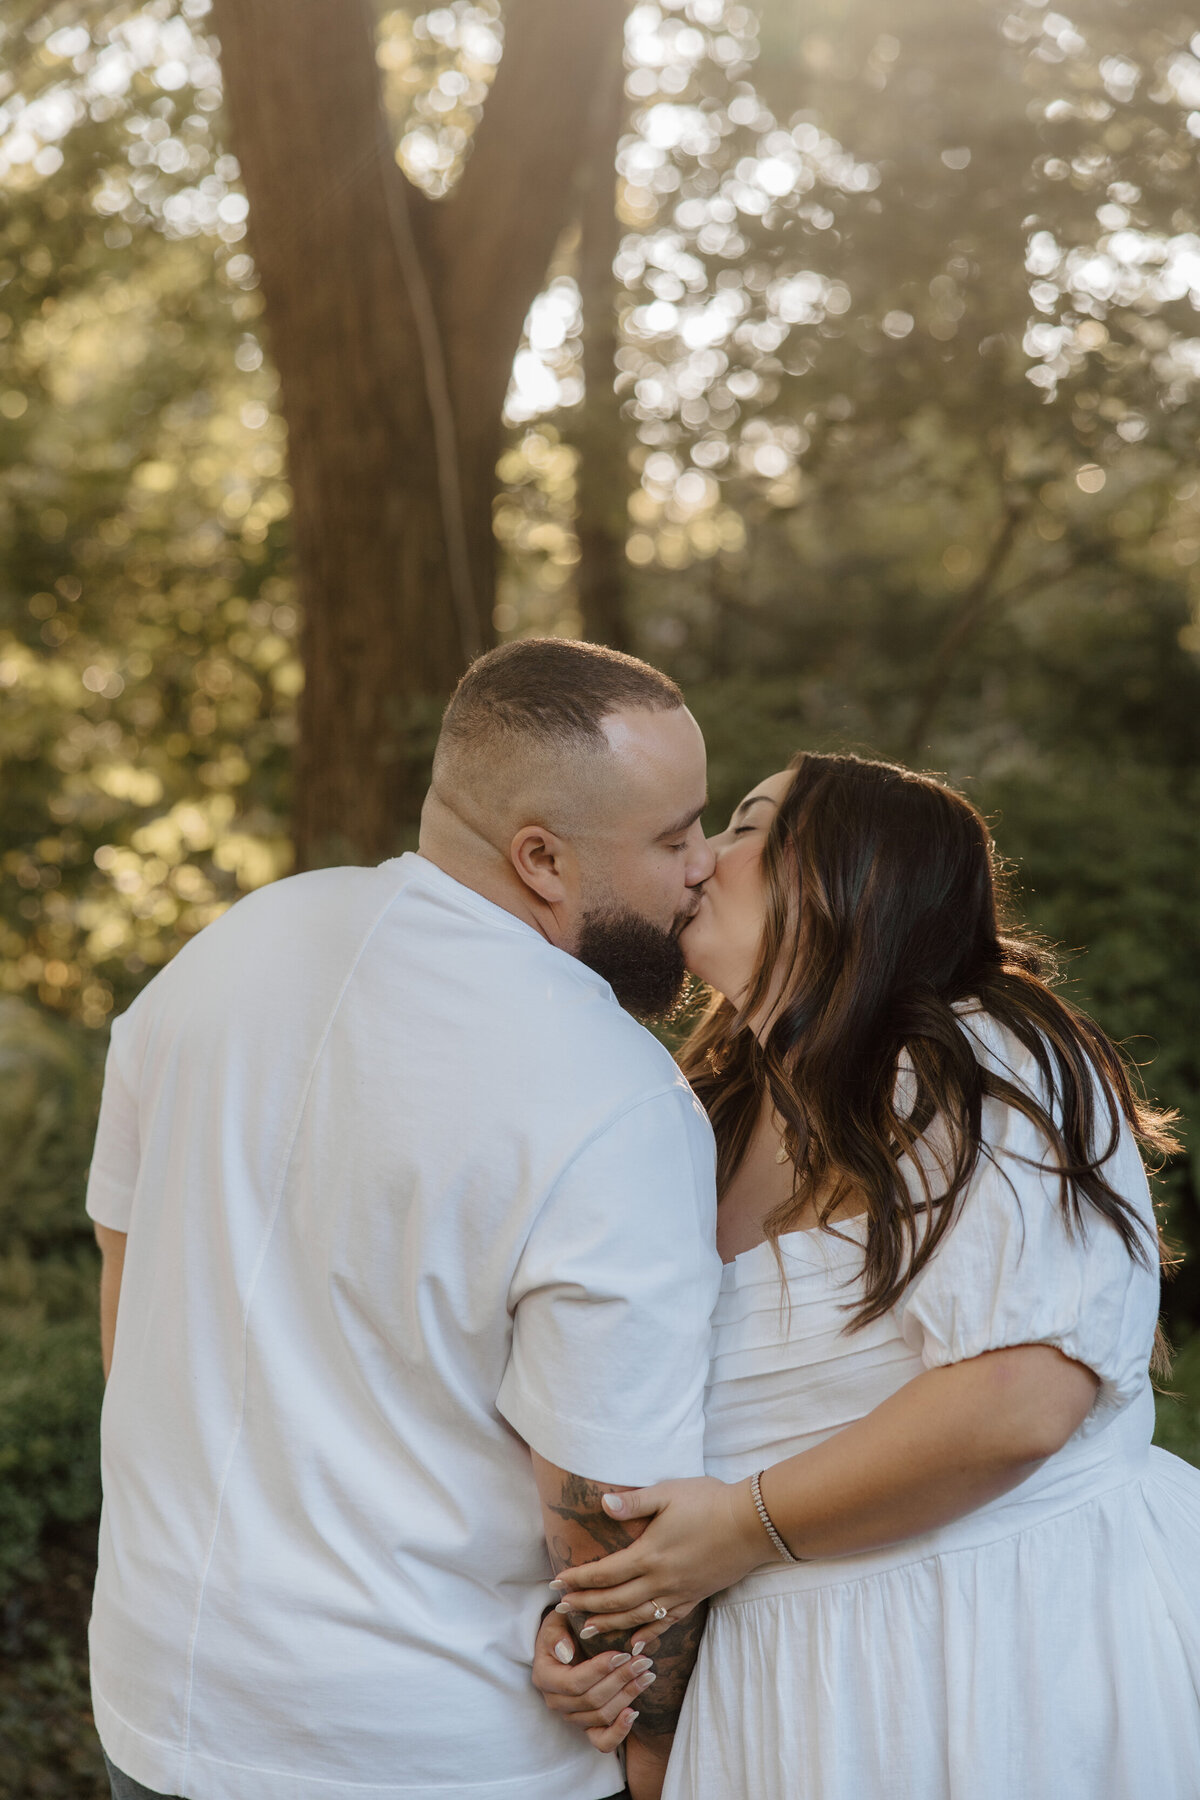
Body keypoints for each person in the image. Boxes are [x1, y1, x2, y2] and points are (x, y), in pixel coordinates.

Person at [86, 638, 725, 1800]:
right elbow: (611, 1515)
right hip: (430, 1746)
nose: (708, 866)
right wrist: (649, 1749)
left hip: (160, 1697)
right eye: (675, 837)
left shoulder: (220, 958)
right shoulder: (617, 1095)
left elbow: (127, 1297)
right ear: (542, 857)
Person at [535, 751, 1200, 1800]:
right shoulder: (694, 1111)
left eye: (747, 823)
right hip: (787, 1688)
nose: (701, 856)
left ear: (858, 872)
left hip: (1006, 1651)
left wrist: (740, 1529)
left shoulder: (982, 1059)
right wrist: (604, 1643)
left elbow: (1023, 1397)